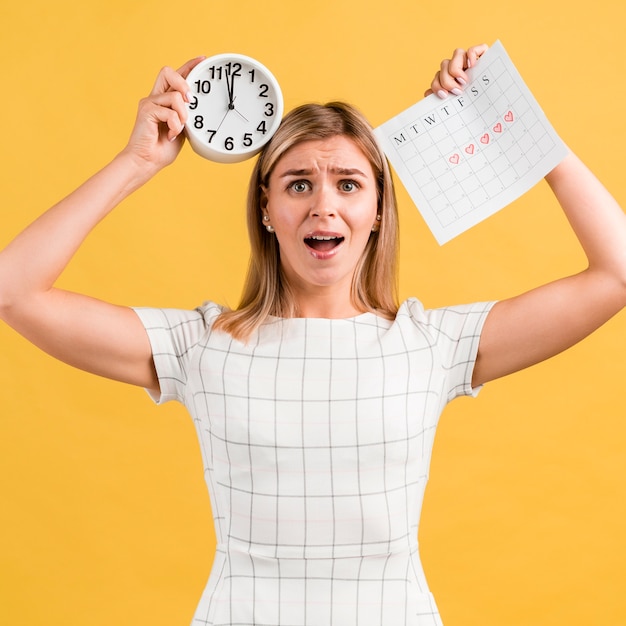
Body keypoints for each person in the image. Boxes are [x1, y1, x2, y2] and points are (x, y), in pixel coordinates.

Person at [1, 44, 625, 625]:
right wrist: (137, 161)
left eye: (348, 184)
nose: (323, 205)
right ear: (267, 209)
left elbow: (618, 275)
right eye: (299, 183)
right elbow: (13, 291)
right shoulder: (203, 346)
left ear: (377, 212)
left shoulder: (433, 345)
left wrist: (517, 124)